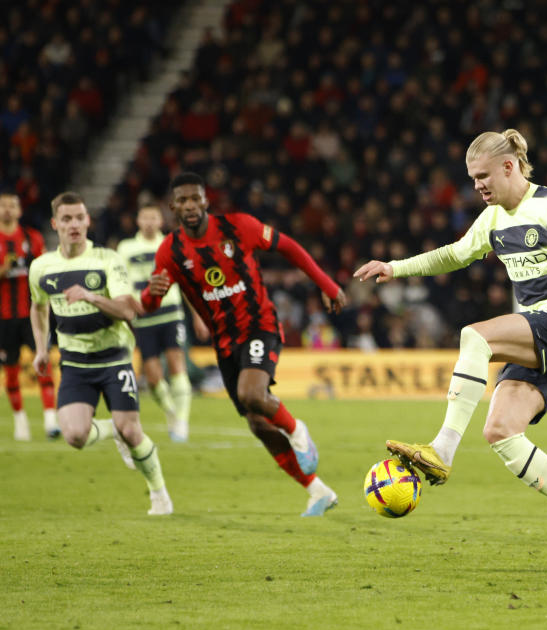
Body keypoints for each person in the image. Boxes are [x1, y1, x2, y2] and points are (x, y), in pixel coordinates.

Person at [355, 129, 547, 570]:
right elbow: (454, 255)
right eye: (472, 178)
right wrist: (394, 267)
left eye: (483, 176)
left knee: (475, 336)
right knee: (500, 431)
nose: (477, 185)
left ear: (510, 167)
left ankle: (443, 449)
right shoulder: (494, 218)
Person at [141, 172, 346, 517]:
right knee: (257, 423)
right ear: (172, 207)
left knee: (253, 395)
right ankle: (317, 491)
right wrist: (152, 293)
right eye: (182, 201)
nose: (190, 206)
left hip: (259, 325)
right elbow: (149, 305)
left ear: (206, 200)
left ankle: (298, 430)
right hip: (224, 343)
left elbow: (289, 248)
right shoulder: (170, 250)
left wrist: (326, 284)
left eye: (196, 198)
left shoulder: (238, 227)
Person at [28, 192, 172, 515]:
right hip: (75, 363)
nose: (74, 224)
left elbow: (127, 311)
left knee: (133, 431)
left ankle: (159, 493)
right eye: (66, 219)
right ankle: (111, 430)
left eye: (80, 217)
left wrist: (91, 297)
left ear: (88, 221)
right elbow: (38, 308)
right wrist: (41, 348)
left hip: (114, 358)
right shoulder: (41, 267)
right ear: (55, 224)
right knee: (75, 436)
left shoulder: (108, 260)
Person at [117, 204, 204, 441]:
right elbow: (119, 282)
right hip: (143, 314)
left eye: (153, 217)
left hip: (171, 311)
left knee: (177, 364)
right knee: (153, 376)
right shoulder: (126, 248)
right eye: (144, 217)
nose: (149, 222)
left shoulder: (173, 244)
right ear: (137, 220)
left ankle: (182, 422)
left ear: (160, 221)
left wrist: (197, 315)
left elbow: (187, 284)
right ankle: (171, 412)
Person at [1, 189, 59, 440]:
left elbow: (44, 272)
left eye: (12, 205)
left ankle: (50, 422)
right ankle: (21, 423)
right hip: (3, 318)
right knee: (11, 370)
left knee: (43, 362)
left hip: (32, 314)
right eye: (3, 205)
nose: (7, 210)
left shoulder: (32, 237)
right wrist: (4, 269)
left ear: (19, 210)